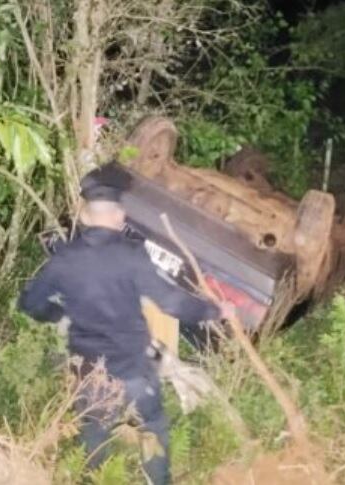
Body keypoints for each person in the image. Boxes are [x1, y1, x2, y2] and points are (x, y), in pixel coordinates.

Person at [17, 164, 234, 485]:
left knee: (93, 449)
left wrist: (59, 316)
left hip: (90, 374)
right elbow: (171, 302)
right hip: (135, 368)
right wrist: (216, 311)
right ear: (118, 214)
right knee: (153, 429)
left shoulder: (63, 260)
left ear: (86, 215)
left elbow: (29, 303)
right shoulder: (133, 256)